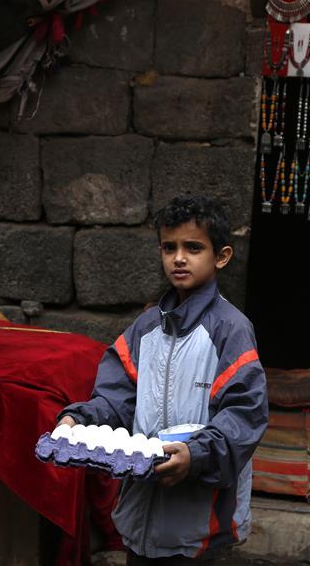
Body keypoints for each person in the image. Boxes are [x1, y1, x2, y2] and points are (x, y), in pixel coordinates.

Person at [57, 195, 269, 564]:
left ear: (221, 256)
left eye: (193, 247)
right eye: (169, 247)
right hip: (139, 516)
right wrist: (81, 419)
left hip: (199, 524)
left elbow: (243, 416)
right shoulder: (145, 327)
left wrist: (196, 454)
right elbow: (116, 399)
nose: (179, 258)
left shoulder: (230, 330)